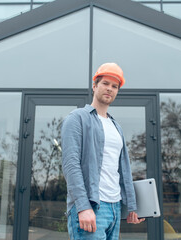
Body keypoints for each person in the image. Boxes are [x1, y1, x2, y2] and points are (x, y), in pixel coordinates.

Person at [61, 62, 145, 239]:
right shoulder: (77, 119)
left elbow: (124, 170)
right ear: (94, 86)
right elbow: (71, 165)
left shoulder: (116, 127)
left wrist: (131, 206)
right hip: (92, 206)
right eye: (105, 83)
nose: (110, 89)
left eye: (115, 86)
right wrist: (83, 206)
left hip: (115, 207)